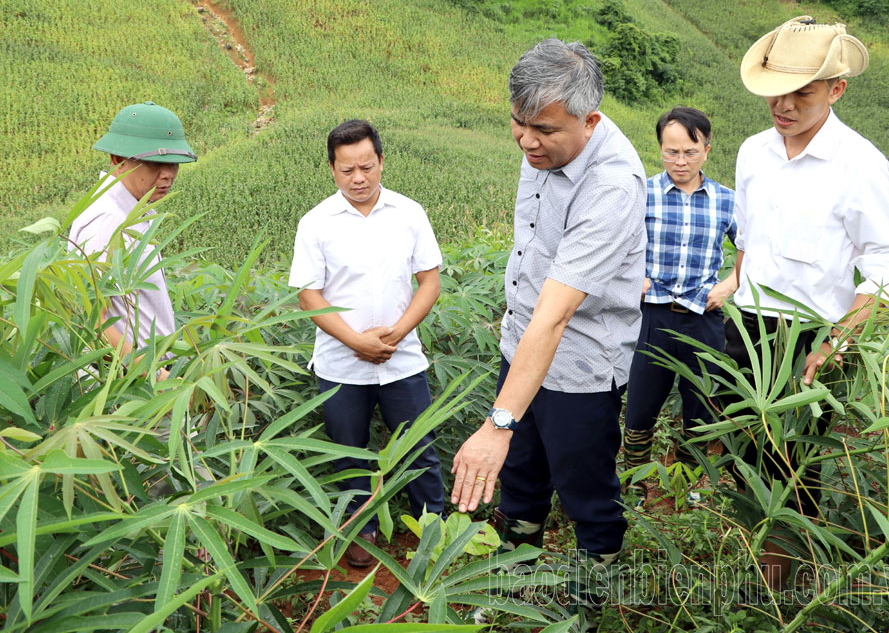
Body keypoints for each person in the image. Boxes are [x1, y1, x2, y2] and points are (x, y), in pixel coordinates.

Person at [450, 38, 647, 625]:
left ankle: (590, 595)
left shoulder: (612, 185)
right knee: (521, 474)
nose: (527, 140)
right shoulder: (542, 146)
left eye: (543, 129)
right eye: (518, 123)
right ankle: (516, 569)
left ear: (589, 121)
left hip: (581, 363)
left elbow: (557, 315)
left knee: (585, 485)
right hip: (523, 347)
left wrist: (497, 422)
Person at [729, 15, 889, 586]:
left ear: (836, 89)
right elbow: (747, 240)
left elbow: (887, 265)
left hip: (811, 337)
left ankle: (780, 586)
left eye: (801, 93)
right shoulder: (754, 152)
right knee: (743, 455)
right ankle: (758, 560)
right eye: (775, 92)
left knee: (792, 467)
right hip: (746, 329)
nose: (783, 105)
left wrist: (837, 341)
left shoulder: (859, 164)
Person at [289, 119, 445, 569]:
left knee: (419, 448)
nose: (358, 178)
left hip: (402, 359)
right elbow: (308, 294)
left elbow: (429, 280)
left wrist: (395, 333)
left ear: (381, 161)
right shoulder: (316, 222)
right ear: (332, 170)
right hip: (341, 363)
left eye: (366, 166)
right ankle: (362, 530)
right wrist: (357, 340)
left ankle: (429, 527)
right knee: (350, 453)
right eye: (346, 170)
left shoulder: (409, 213)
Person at [623, 107, 737, 502]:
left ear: (707, 149)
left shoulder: (727, 200)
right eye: (671, 152)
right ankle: (635, 487)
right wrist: (630, 276)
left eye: (689, 152)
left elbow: (753, 250)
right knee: (639, 409)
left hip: (703, 319)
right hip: (650, 315)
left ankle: (683, 488)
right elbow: (616, 242)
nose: (680, 162)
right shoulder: (644, 192)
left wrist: (729, 285)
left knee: (700, 411)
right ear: (660, 149)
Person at [69, 101, 197, 381]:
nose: (168, 174)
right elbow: (93, 321)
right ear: (118, 158)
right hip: (129, 382)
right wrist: (154, 376)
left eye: (173, 163)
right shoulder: (108, 221)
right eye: (155, 162)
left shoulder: (132, 209)